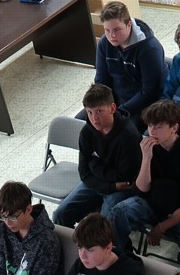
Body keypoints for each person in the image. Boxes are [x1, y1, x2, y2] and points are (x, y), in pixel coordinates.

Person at [107, 99, 180, 275]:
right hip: (153, 202)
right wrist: (146, 158)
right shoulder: (150, 147)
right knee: (117, 213)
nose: (152, 131)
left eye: (158, 126)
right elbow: (141, 190)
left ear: (174, 128)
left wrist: (161, 227)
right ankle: (123, 264)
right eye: (150, 126)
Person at [53, 83, 142, 226]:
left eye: (99, 111)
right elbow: (84, 173)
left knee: (103, 227)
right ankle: (74, 241)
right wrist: (111, 185)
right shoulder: (87, 132)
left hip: (120, 190)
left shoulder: (128, 135)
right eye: (89, 112)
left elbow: (125, 178)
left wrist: (93, 165)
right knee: (60, 215)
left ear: (112, 108)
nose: (94, 118)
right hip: (106, 185)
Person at [92, 1, 165, 124]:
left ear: (129, 24)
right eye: (107, 30)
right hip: (116, 100)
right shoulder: (104, 43)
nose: (112, 36)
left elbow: (149, 92)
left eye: (117, 30)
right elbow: (101, 80)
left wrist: (119, 112)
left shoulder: (150, 49)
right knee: (83, 122)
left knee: (118, 130)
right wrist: (103, 106)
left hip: (143, 104)